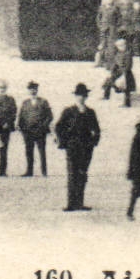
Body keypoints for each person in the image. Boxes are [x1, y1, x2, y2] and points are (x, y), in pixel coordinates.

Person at [55, 83, 100, 211]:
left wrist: (93, 142)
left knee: (82, 174)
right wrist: (64, 142)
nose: (81, 97)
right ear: (75, 96)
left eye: (83, 95)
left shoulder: (90, 112)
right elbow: (59, 127)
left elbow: (96, 129)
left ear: (86, 97)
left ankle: (80, 202)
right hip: (72, 147)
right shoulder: (68, 111)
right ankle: (71, 203)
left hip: (86, 148)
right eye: (79, 95)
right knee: (72, 174)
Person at [18, 81, 52, 177]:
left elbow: (49, 116)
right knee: (29, 151)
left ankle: (44, 171)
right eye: (31, 89)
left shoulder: (43, 102)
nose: (32, 91)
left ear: (37, 90)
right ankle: (29, 171)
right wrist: (22, 128)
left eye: (34, 89)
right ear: (28, 91)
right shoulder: (25, 103)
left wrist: (43, 126)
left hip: (40, 131)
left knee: (42, 151)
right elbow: (21, 116)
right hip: (28, 131)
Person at [0, 80, 18, 177]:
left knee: (4, 151)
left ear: (6, 88)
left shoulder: (10, 100)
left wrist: (8, 122)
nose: (2, 89)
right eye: (0, 87)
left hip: (6, 128)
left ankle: (2, 171)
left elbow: (14, 112)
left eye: (4, 87)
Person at [102, 37, 136, 106]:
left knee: (127, 88)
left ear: (125, 45)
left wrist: (124, 74)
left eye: (122, 45)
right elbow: (115, 63)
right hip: (117, 71)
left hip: (126, 73)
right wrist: (112, 70)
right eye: (119, 46)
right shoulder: (118, 54)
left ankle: (127, 103)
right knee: (109, 81)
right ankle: (106, 95)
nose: (120, 47)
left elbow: (128, 65)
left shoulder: (128, 54)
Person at [95, 0, 119, 67]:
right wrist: (100, 26)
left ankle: (109, 63)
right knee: (102, 45)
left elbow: (119, 18)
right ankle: (100, 62)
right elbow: (98, 18)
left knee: (111, 46)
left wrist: (116, 27)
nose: (110, 0)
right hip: (103, 29)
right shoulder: (102, 8)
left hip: (112, 29)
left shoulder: (115, 8)